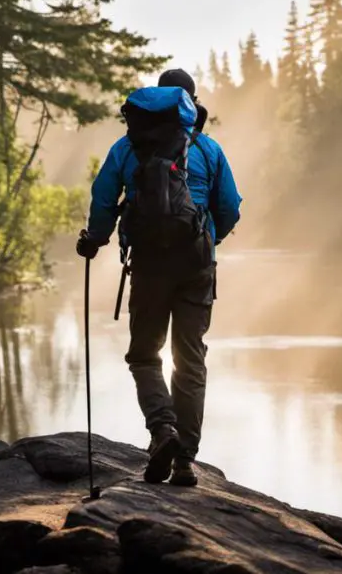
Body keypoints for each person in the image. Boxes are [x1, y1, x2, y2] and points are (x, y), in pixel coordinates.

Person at [76, 69, 242, 487]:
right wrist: (208, 240)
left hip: (149, 263)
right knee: (190, 358)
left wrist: (95, 239)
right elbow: (230, 207)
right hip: (196, 265)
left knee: (145, 355)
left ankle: (162, 430)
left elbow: (103, 198)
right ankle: (184, 460)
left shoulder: (128, 147)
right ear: (190, 103)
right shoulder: (207, 148)